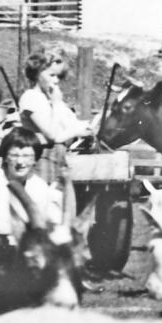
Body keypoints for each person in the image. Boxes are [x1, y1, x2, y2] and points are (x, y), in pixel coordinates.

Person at [0, 127, 63, 267]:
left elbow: (43, 220)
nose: (20, 163)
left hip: (22, 249)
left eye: (27, 156)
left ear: (35, 159)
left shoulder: (39, 186)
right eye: (14, 155)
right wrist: (33, 231)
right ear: (5, 156)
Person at [17, 49, 94, 217]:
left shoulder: (49, 98)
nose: (56, 81)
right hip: (40, 160)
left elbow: (71, 122)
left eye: (59, 77)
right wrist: (58, 105)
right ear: (37, 73)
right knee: (41, 207)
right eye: (51, 75)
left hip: (58, 160)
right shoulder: (31, 98)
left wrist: (86, 127)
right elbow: (52, 134)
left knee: (58, 208)